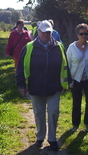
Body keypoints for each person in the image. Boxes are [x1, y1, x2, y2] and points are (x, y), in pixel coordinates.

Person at [16, 20, 68, 151]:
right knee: (39, 114)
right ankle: (40, 137)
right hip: (35, 87)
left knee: (53, 112)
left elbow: (65, 66)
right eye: (43, 32)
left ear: (52, 32)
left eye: (48, 32)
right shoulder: (29, 47)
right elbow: (20, 68)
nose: (46, 34)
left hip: (54, 86)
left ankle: (52, 138)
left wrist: (65, 83)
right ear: (38, 32)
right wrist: (21, 84)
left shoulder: (59, 47)